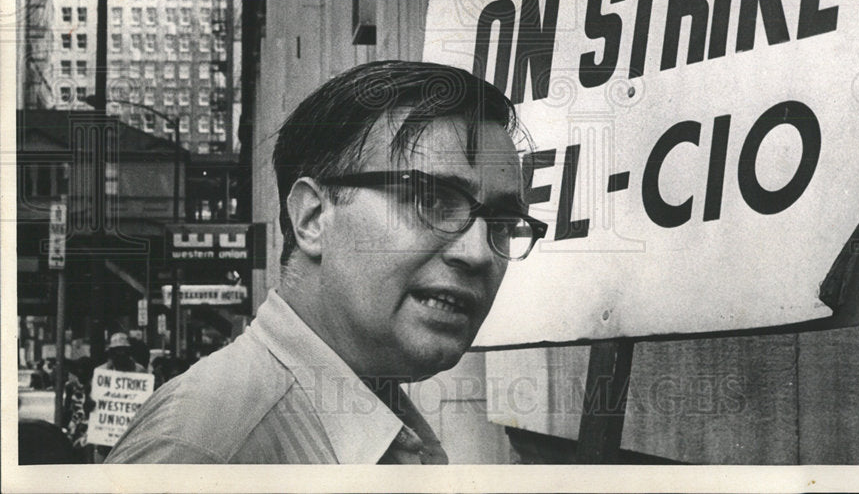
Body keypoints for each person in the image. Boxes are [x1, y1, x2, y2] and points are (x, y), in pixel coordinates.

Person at [106, 60, 544, 464]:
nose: (479, 252)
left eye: (502, 222)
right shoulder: (204, 448)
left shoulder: (375, 423)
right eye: (432, 200)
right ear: (313, 218)